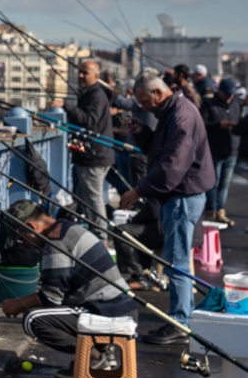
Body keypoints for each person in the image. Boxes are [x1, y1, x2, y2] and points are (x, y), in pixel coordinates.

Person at [119, 72, 215, 345]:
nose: (144, 107)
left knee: (177, 262)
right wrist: (144, 133)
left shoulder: (180, 117)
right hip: (181, 196)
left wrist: (138, 190)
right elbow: (163, 153)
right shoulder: (172, 112)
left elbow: (173, 166)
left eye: (145, 102)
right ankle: (180, 318)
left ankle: (181, 322)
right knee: (176, 260)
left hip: (183, 197)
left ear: (158, 94)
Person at [0, 200, 138, 378]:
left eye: (20, 239)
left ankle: (94, 357)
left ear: (30, 227)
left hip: (106, 311)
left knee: (32, 319)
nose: (22, 246)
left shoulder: (56, 244)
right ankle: (103, 350)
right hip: (121, 308)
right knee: (60, 309)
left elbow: (51, 298)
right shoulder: (67, 227)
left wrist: (17, 304)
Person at [50, 60, 114, 241]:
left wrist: (66, 106)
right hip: (90, 155)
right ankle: (83, 235)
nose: (80, 75)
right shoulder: (91, 94)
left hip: (93, 156)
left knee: (94, 200)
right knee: (81, 198)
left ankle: (101, 238)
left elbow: (89, 121)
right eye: (80, 72)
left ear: (96, 76)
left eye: (85, 73)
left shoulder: (97, 95)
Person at [201, 78, 242, 226]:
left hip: (231, 149)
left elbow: (239, 123)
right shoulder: (209, 104)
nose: (230, 97)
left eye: (232, 94)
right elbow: (202, 124)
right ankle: (210, 211)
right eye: (228, 94)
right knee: (213, 182)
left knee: (224, 184)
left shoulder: (236, 104)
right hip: (214, 149)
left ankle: (220, 211)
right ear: (220, 92)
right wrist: (219, 125)